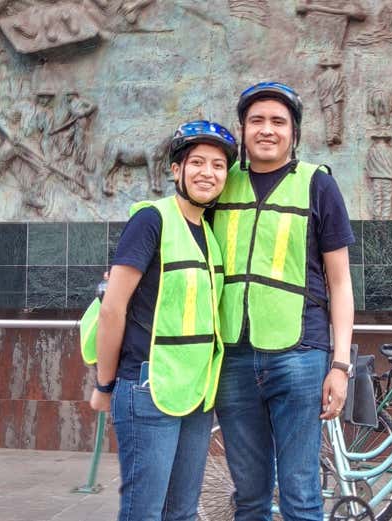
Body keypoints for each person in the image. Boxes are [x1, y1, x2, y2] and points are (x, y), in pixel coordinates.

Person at [211, 82, 355, 521]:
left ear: (294, 132)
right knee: (249, 495)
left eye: (278, 121)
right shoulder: (218, 185)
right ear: (242, 130)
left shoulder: (318, 185)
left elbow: (341, 281)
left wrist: (340, 364)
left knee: (300, 494)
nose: (267, 130)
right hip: (232, 357)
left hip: (300, 354)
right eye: (257, 121)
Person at [88, 120, 238, 521]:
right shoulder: (151, 220)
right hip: (148, 386)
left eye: (219, 165)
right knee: (145, 513)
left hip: (195, 391)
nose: (208, 173)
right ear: (176, 170)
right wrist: (104, 383)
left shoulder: (209, 233)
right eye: (198, 163)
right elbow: (112, 308)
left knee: (183, 513)